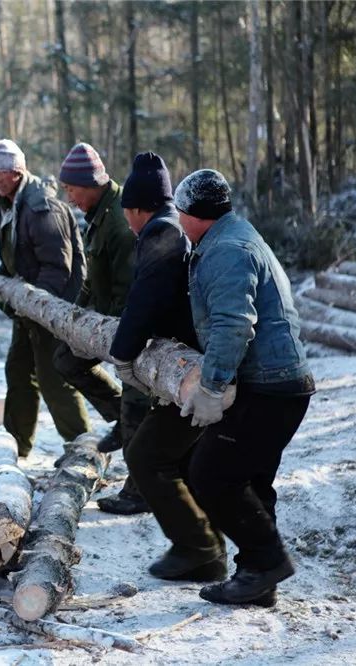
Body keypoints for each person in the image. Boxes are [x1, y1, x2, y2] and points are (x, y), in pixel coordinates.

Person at [174, 168, 315, 606]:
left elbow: (233, 325)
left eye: (180, 212)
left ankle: (266, 562)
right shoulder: (232, 235)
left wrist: (212, 388)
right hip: (280, 383)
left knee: (210, 473)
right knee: (250, 479)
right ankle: (257, 578)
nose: (177, 220)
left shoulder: (227, 250)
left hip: (269, 386)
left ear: (195, 214)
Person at [109, 152, 226, 583]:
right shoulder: (174, 228)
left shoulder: (161, 234)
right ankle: (204, 549)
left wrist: (123, 352)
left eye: (127, 213)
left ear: (138, 208)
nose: (126, 222)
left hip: (189, 369)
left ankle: (199, 549)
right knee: (187, 459)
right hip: (195, 361)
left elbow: (144, 300)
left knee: (146, 455)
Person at [53, 142, 150, 515]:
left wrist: (123, 338)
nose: (70, 197)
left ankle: (140, 490)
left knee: (139, 403)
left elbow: (133, 287)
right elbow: (95, 278)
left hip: (131, 326)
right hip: (105, 322)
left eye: (72, 189)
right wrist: (76, 319)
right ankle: (120, 416)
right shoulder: (96, 213)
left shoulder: (120, 221)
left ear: (91, 184)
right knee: (66, 359)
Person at [0, 139, 91, 457]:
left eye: (6, 172)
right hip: (28, 305)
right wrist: (2, 286)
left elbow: (59, 268)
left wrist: (37, 308)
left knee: (53, 377)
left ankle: (82, 448)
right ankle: (15, 447)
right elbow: (16, 256)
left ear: (20, 171)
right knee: (17, 370)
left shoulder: (41, 206)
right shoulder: (5, 204)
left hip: (53, 305)